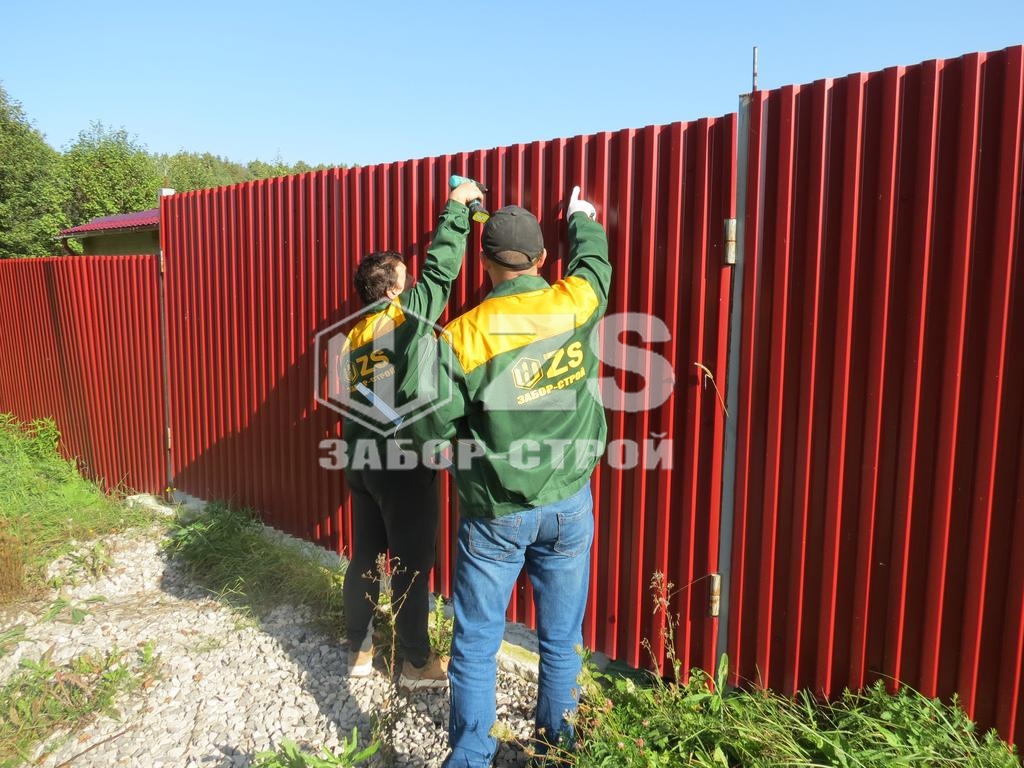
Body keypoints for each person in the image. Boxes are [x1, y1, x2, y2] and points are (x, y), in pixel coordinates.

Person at [405, 187, 611, 766]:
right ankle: (558, 744)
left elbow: (429, 432)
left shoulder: (462, 337)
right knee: (561, 638)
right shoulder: (575, 302)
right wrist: (582, 219)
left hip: (495, 513)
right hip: (569, 502)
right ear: (542, 259)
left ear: (484, 263)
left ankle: (471, 755)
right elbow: (595, 266)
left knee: (475, 642)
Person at [340, 180, 483, 691]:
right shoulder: (400, 321)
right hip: (401, 466)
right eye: (406, 278)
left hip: (360, 463)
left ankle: (359, 650)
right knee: (411, 566)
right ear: (392, 291)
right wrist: (457, 209)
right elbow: (441, 274)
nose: (413, 282)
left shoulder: (353, 335)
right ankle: (416, 664)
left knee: (365, 555)